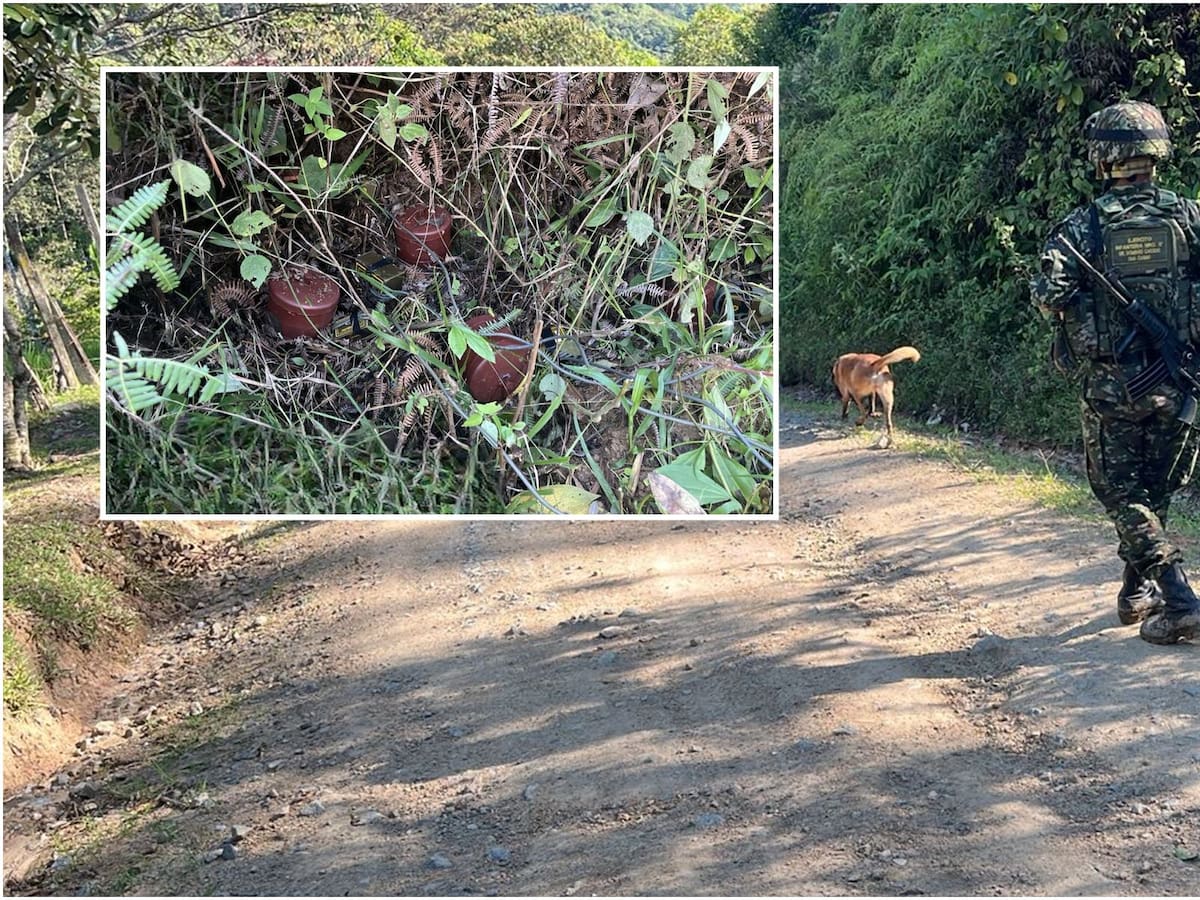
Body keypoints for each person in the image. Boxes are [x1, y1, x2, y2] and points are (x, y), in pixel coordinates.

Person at [1030, 99, 1200, 645]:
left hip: (1114, 386)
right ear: (1157, 153)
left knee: (1123, 495)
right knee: (1153, 488)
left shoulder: (1084, 227)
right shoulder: (1190, 217)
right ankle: (1137, 591)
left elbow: (1048, 294)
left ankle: (1179, 600)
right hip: (1180, 381)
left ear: (1103, 159)